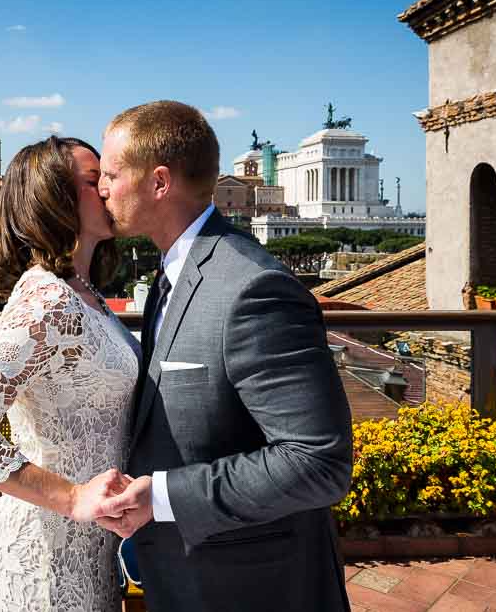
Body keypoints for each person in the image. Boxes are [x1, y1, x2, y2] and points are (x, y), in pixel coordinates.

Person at [95, 101, 354, 612]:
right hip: (191, 574)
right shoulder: (177, 269)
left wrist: (162, 496)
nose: (102, 187)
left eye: (111, 174)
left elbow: (318, 461)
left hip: (251, 587)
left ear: (159, 183)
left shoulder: (252, 288)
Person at [0, 136, 141, 611]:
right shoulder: (47, 300)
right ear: (56, 198)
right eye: (96, 180)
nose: (111, 187)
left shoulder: (83, 292)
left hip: (90, 548)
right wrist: (72, 498)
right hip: (43, 557)